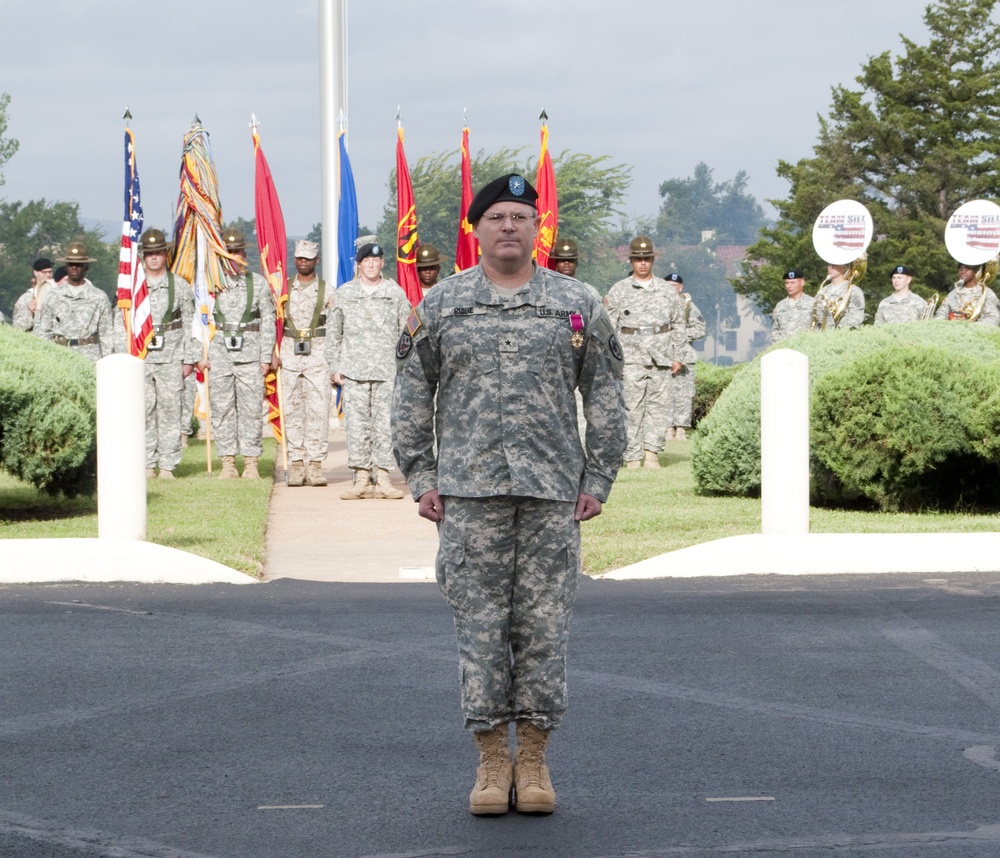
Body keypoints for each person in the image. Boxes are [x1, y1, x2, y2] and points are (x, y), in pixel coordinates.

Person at [391, 173, 627, 816]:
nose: (508, 227)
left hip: (553, 495)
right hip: (469, 497)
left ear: (536, 228)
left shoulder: (576, 303)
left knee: (545, 631)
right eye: (495, 217)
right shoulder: (443, 305)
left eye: (520, 216)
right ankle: (493, 760)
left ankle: (537, 758)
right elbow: (412, 394)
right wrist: (422, 475)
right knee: (481, 632)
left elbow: (604, 395)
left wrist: (599, 477)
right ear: (476, 229)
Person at [326, 241, 411, 499]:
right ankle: (362, 477)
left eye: (376, 260)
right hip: (354, 371)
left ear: (382, 263)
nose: (372, 265)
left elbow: (406, 333)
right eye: (366, 261)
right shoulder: (344, 293)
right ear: (359, 264)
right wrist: (334, 366)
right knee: (356, 425)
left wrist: (404, 367)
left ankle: (384, 477)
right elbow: (334, 333)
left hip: (387, 372)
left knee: (385, 426)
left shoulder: (394, 293)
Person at [114, 229, 200, 479]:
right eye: (149, 254)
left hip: (171, 358)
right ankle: (147, 463)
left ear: (166, 255)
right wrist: (124, 358)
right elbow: (121, 322)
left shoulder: (179, 285)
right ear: (142, 256)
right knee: (143, 411)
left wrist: (189, 359)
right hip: (141, 358)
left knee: (171, 411)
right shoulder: (131, 288)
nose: (154, 258)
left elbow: (190, 325)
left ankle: (167, 465)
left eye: (158, 253)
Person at [197, 228, 275, 479]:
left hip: (250, 356)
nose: (234, 257)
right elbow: (198, 321)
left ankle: (251, 462)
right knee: (222, 410)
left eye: (238, 252)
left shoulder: (258, 283)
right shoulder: (211, 285)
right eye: (228, 253)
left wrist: (265, 357)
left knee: (251, 410)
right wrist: (200, 354)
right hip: (219, 356)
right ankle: (228, 462)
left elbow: (268, 320)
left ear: (244, 254)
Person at [604, 236, 686, 468]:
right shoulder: (619, 290)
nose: (642, 263)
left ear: (653, 261)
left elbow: (679, 322)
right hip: (630, 357)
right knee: (631, 406)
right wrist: (613, 360)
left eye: (647, 259)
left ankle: (652, 453)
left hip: (661, 355)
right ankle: (632, 456)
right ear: (631, 261)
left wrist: (678, 354)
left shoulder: (666, 290)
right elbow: (609, 328)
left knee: (659, 407)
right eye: (638, 259)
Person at [277, 240, 333, 487]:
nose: (303, 262)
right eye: (300, 258)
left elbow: (336, 326)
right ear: (295, 259)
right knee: (292, 411)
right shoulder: (283, 290)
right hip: (289, 357)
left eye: (308, 259)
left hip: (318, 358)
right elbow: (275, 323)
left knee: (319, 412)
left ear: (316, 261)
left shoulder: (328, 291)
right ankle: (297, 464)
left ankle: (316, 464)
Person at [38, 242, 113, 361]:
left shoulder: (99, 297)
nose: (74, 267)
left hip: (90, 356)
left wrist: (106, 363)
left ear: (86, 267)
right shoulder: (54, 296)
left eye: (78, 264)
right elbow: (44, 331)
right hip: (59, 356)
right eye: (71, 264)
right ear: (66, 267)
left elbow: (106, 335)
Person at [663, 273, 705, 441]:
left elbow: (700, 329)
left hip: (684, 357)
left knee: (684, 394)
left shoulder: (689, 307)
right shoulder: (659, 305)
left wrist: (680, 334)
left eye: (674, 286)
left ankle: (681, 429)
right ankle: (667, 428)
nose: (670, 289)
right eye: (667, 285)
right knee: (664, 393)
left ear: (680, 288)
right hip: (663, 356)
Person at [935, 261, 1000, 325]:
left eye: (967, 268)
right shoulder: (952, 294)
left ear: (975, 271)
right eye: (960, 268)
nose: (962, 271)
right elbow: (941, 314)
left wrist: (969, 326)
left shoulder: (986, 293)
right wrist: (947, 325)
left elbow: (994, 318)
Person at [815, 261, 865, 329]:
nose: (830, 267)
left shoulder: (854, 290)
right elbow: (816, 313)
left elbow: (856, 316)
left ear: (843, 267)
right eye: (829, 265)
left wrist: (837, 329)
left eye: (834, 264)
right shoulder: (822, 291)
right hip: (822, 334)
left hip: (844, 334)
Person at [770, 269, 815, 342]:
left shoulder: (813, 303)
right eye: (787, 283)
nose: (789, 286)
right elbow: (775, 329)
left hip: (807, 349)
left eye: (792, 283)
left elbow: (827, 327)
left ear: (802, 282)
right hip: (785, 349)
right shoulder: (780, 305)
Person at [13, 257, 56, 333]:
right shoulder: (26, 298)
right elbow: (17, 327)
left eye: (50, 272)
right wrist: (30, 312)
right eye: (44, 272)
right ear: (36, 273)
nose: (48, 275)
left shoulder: (57, 293)